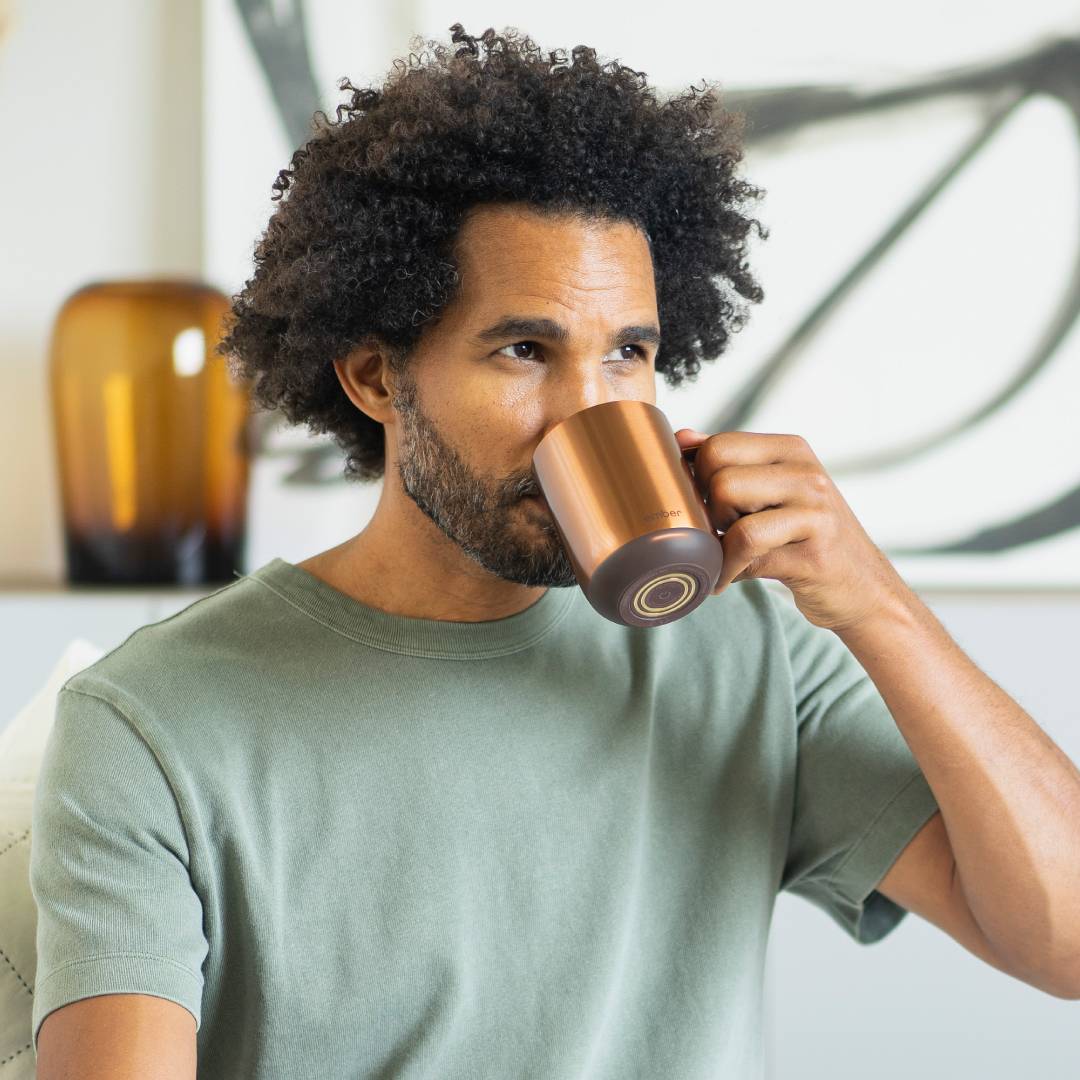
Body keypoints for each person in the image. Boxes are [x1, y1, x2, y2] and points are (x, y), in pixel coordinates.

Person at [30, 23, 1080, 1080]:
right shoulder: (154, 721)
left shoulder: (753, 647)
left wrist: (878, 605)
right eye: (526, 350)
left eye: (629, 354)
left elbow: (1067, 944)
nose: (588, 410)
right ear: (375, 377)